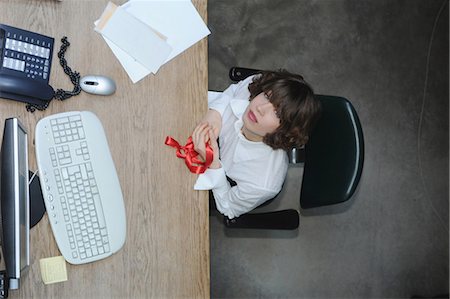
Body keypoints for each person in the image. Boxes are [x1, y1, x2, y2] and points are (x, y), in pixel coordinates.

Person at [192, 70, 321, 219]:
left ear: (287, 130)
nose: (260, 108)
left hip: (210, 173)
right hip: (198, 117)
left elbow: (228, 207)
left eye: (277, 113)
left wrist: (213, 164)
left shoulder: (263, 182)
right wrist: (215, 112)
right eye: (268, 96)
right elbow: (234, 90)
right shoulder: (256, 87)